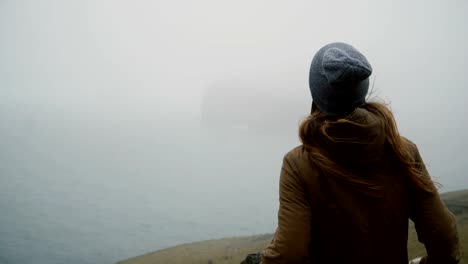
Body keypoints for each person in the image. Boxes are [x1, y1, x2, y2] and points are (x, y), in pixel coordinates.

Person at [261, 42, 460, 264]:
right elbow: (444, 236)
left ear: (317, 92)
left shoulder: (298, 163)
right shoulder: (403, 150)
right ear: (361, 88)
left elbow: (288, 253)